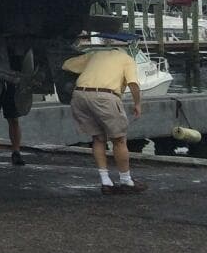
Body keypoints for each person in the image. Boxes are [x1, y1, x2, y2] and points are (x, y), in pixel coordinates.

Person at [62, 46, 145, 195]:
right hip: (105, 97)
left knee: (98, 138)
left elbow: (67, 65)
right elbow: (133, 83)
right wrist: (137, 103)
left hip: (80, 95)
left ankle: (105, 181)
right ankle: (126, 180)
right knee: (119, 140)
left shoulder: (95, 55)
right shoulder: (127, 59)